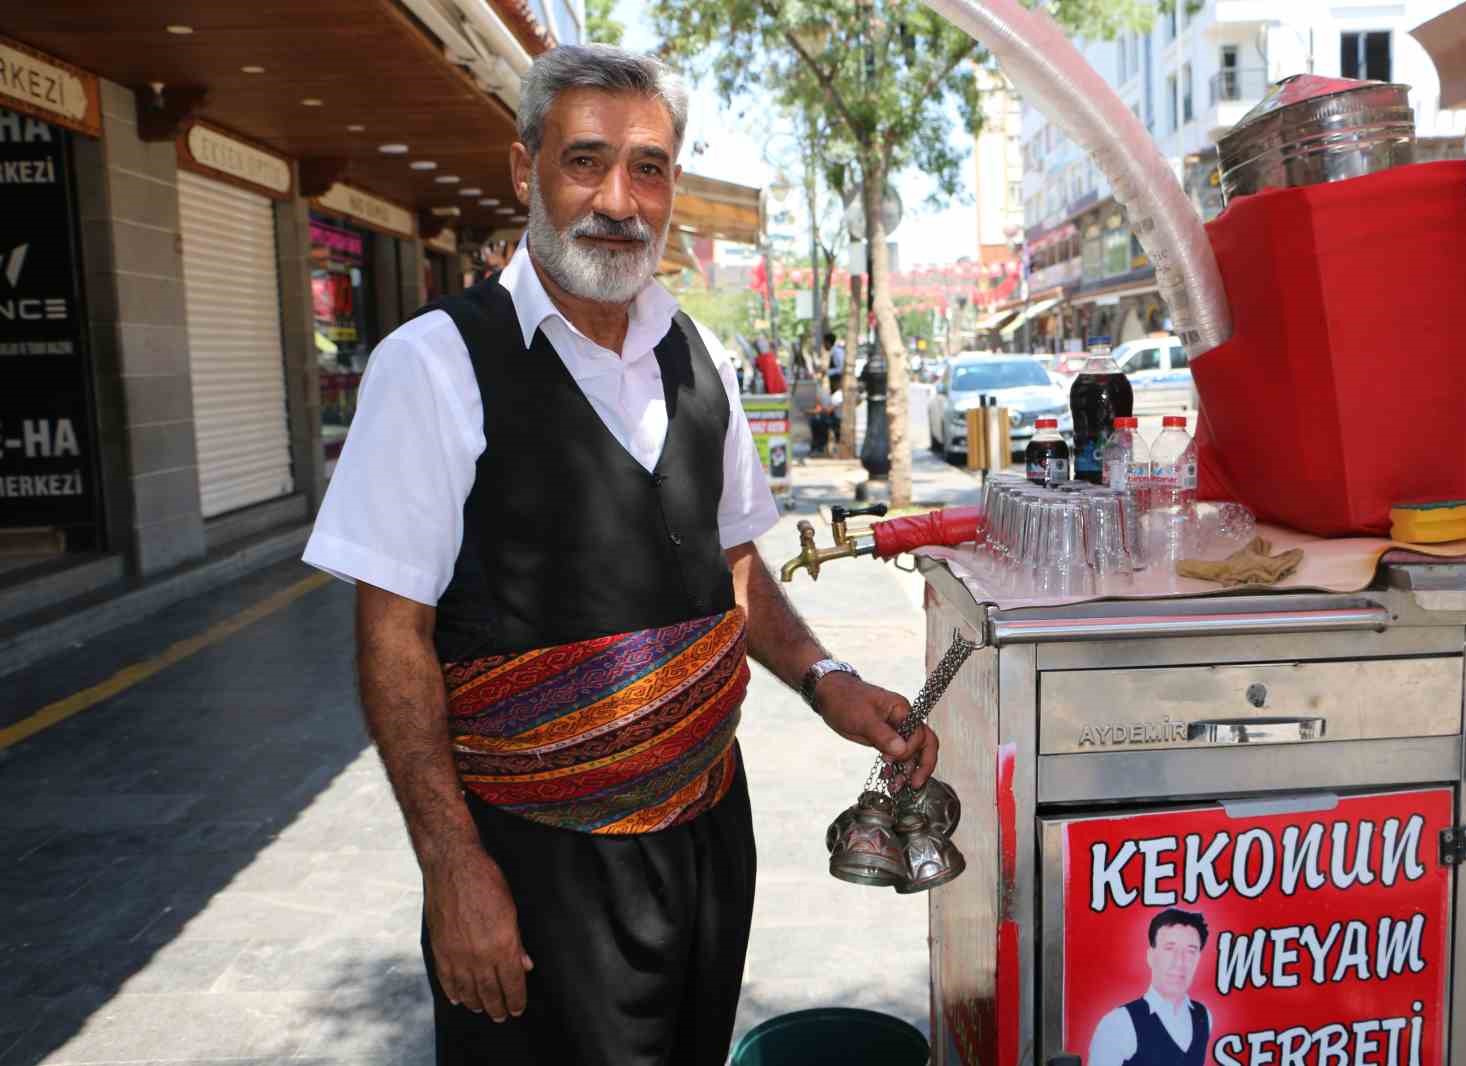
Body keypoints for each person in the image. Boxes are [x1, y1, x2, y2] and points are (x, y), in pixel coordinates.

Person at [302, 43, 939, 1065]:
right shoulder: (432, 366)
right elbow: (393, 637)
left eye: (647, 168)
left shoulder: (698, 355)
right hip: (536, 867)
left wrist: (826, 680)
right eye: (585, 161)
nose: (618, 198)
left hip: (703, 841)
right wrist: (452, 868)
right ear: (525, 172)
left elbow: (731, 559)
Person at [1087, 909, 1213, 1066]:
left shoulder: (1204, 1016)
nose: (1179, 962)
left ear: (1198, 959)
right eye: (1169, 948)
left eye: (1190, 951)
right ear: (1151, 956)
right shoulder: (1118, 1023)